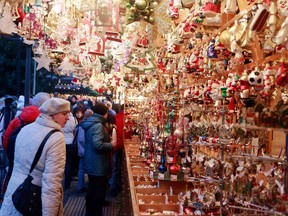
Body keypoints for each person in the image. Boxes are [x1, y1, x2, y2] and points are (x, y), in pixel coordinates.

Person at [0, 98, 70, 215]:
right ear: (52, 115)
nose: (68, 118)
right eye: (64, 114)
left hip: (15, 194)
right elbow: (51, 184)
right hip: (35, 199)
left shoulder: (26, 129)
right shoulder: (56, 137)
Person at [82, 103, 117, 216]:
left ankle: (90, 212)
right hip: (98, 164)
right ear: (104, 113)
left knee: (92, 189)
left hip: (91, 162)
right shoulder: (98, 125)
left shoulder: (92, 123)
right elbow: (97, 144)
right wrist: (111, 144)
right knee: (98, 191)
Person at [76, 108, 93, 193]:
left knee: (82, 169)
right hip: (84, 150)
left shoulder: (81, 124)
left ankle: (81, 185)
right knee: (83, 169)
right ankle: (81, 186)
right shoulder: (84, 125)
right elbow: (81, 139)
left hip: (82, 149)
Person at [109, 104, 124, 197]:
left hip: (116, 146)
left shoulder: (116, 117)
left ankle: (113, 187)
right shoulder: (128, 118)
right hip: (122, 146)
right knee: (120, 167)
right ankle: (119, 186)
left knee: (115, 167)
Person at [63, 105, 77, 190]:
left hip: (61, 142)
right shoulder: (74, 119)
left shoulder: (61, 118)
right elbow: (75, 130)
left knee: (61, 163)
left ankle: (61, 181)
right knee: (69, 163)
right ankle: (67, 183)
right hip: (71, 142)